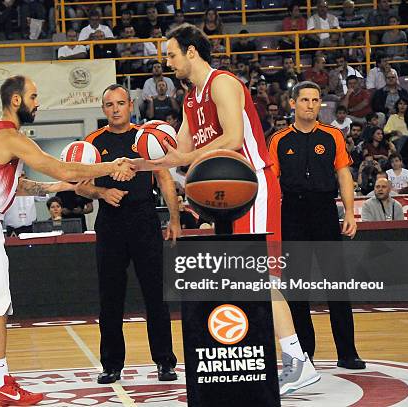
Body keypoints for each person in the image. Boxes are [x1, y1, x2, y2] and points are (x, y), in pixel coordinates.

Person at [141, 23, 319, 395]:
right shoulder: (190, 99)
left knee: (262, 278)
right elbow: (177, 153)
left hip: (252, 184)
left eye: (171, 54)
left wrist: (186, 158)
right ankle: (271, 355)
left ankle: (297, 362)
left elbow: (233, 138)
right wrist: (143, 159)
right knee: (239, 278)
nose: (167, 62)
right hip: (223, 194)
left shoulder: (223, 82)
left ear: (192, 52)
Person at [0, 76, 134, 405]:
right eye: (33, 96)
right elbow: (58, 167)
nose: (37, 101)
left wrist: (55, 189)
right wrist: (110, 166)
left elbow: (19, 185)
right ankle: (2, 383)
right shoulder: (8, 135)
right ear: (16, 101)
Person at [75, 84, 179, 385]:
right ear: (103, 108)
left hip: (145, 218)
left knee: (156, 294)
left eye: (121, 103)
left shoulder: (146, 137)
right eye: (110, 104)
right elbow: (80, 185)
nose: (116, 109)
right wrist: (103, 191)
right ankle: (111, 365)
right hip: (111, 223)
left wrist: (173, 217)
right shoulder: (93, 143)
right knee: (110, 297)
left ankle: (164, 362)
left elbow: (163, 177)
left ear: (130, 104)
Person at [268, 81, 365, 371]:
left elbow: (344, 175)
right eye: (305, 100)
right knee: (297, 289)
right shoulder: (279, 140)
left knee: (337, 285)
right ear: (293, 103)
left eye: (315, 100)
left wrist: (349, 212)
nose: (311, 105)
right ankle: (304, 353)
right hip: (293, 214)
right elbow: (272, 185)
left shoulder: (333, 135)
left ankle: (347, 352)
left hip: (325, 210)